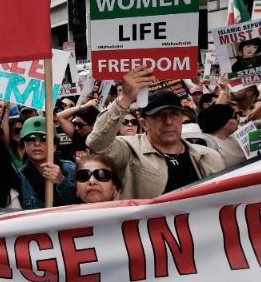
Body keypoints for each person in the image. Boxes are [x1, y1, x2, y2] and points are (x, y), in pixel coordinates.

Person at [86, 68, 224, 199]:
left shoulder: (209, 157)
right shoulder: (129, 150)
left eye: (174, 114)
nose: (168, 121)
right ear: (144, 123)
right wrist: (124, 99)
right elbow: (97, 143)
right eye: (159, 115)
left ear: (182, 118)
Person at [16, 117, 76, 209]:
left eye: (44, 138)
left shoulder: (70, 169)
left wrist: (62, 181)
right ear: (23, 145)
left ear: (55, 145)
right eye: (31, 138)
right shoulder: (18, 178)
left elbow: (81, 205)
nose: (37, 143)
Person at [196, 104, 247, 168]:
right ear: (223, 122)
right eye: (235, 116)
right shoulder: (209, 146)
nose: (238, 119)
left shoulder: (236, 134)